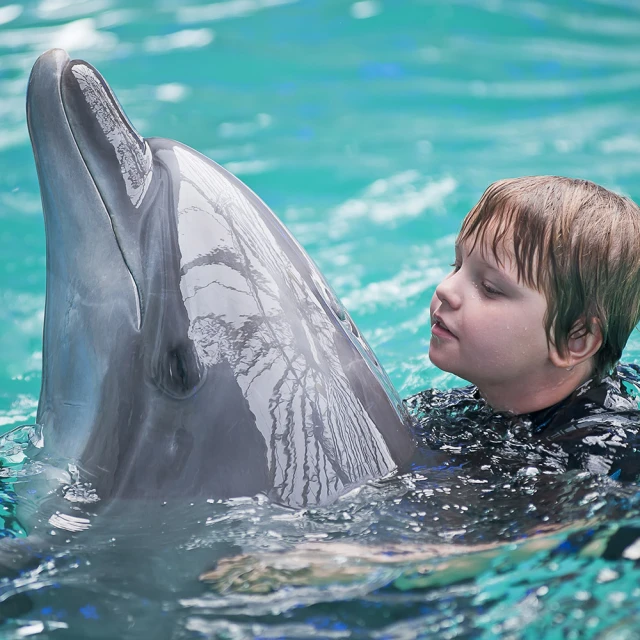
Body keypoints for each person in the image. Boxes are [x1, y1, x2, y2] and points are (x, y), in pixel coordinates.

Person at [407, 175, 640, 482]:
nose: (446, 289)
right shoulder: (457, 407)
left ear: (577, 338)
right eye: (457, 265)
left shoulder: (595, 458)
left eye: (490, 288)